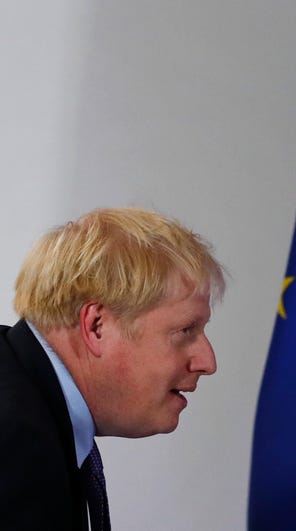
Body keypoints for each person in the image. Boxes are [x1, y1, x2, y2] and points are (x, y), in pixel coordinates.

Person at [0, 207, 225, 530]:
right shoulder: (14, 447)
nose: (208, 362)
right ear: (97, 327)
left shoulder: (30, 409)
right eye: (185, 330)